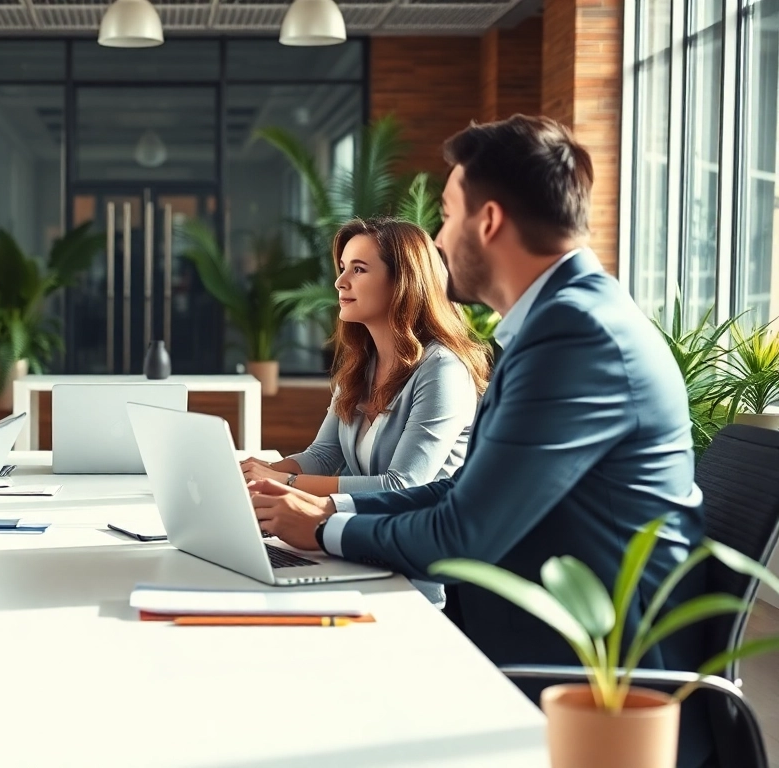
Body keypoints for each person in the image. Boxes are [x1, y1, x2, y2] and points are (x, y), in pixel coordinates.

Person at [248, 116, 709, 764]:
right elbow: (462, 490)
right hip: (529, 632)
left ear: (487, 221)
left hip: (590, 681)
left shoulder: (576, 334)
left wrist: (322, 531)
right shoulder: (554, 321)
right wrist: (327, 510)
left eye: (446, 214)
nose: (438, 238)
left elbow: (466, 532)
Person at [239, 217, 489, 605]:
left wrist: (282, 486)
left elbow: (401, 486)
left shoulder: (442, 371)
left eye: (358, 269)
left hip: (414, 575)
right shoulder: (361, 365)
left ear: (402, 282)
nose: (340, 282)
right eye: (342, 269)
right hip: (355, 555)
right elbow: (323, 456)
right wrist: (262, 475)